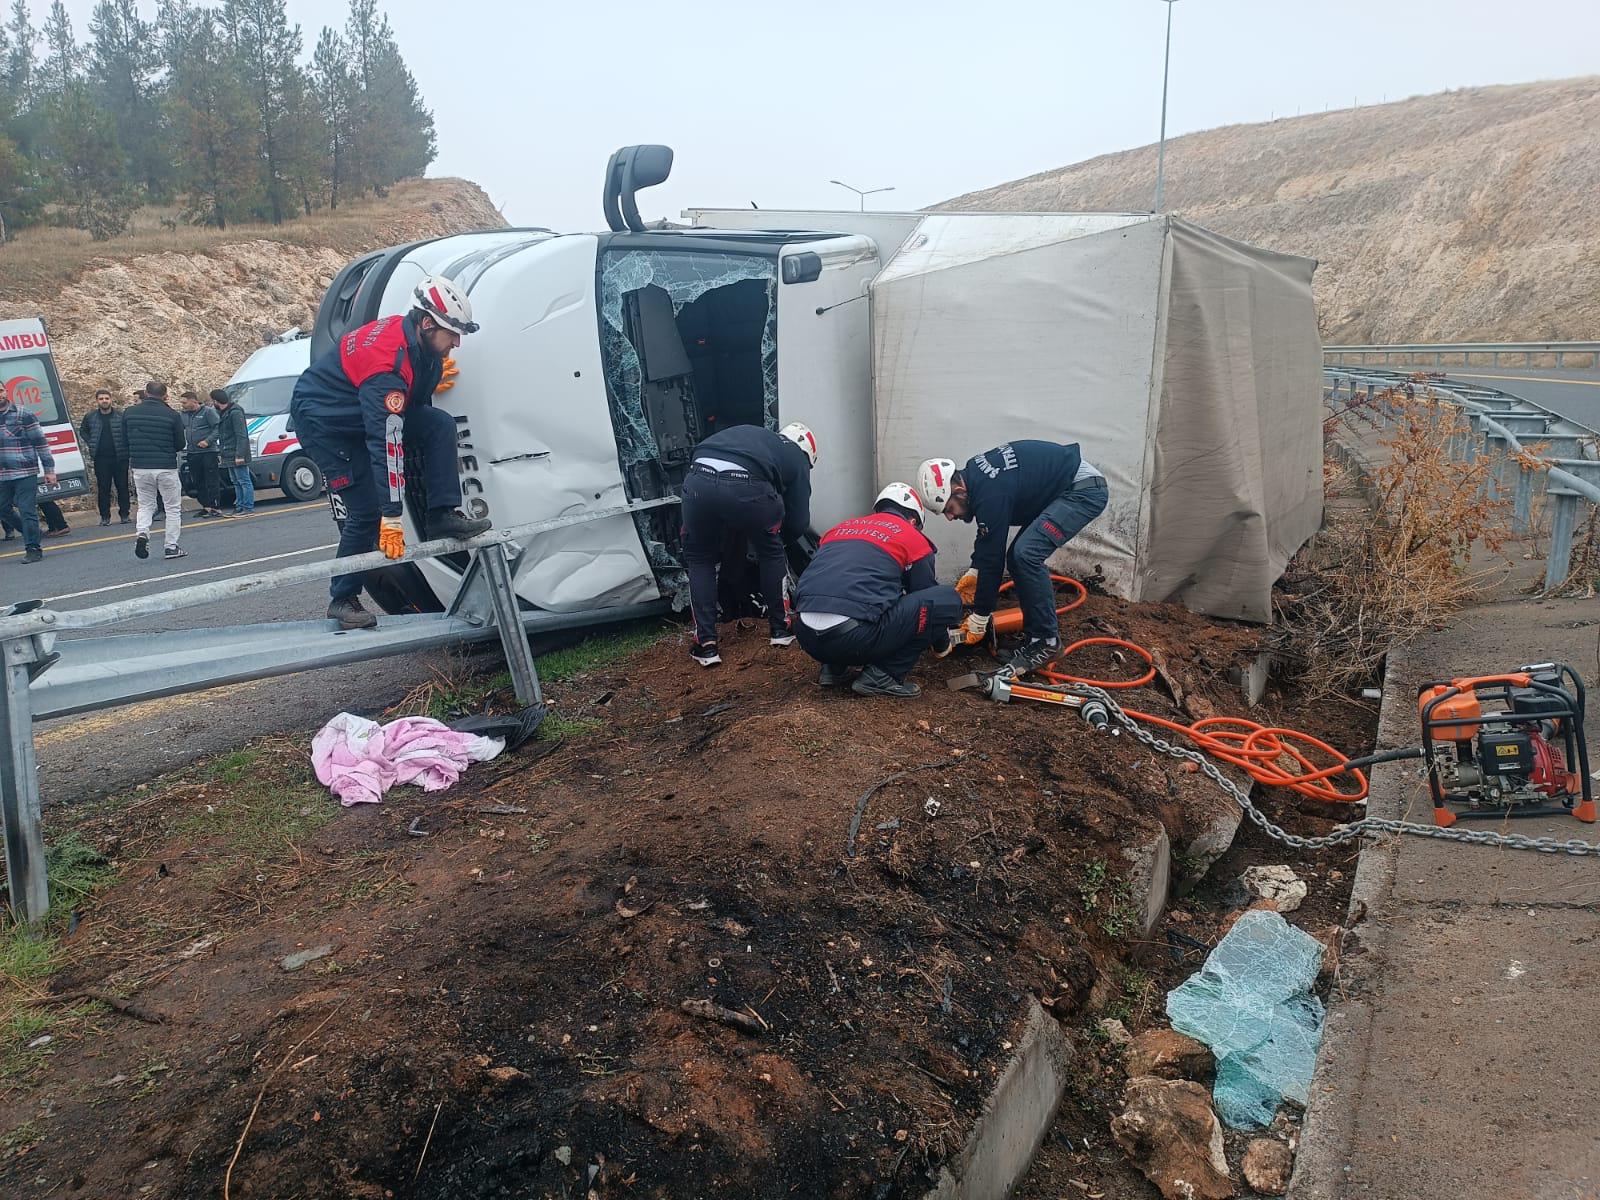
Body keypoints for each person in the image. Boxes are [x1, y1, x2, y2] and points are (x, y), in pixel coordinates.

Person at [290, 275, 491, 630]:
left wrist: (427, 379)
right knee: (365, 510)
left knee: (438, 425)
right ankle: (342, 598)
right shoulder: (387, 364)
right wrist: (392, 516)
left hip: (359, 407)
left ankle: (440, 515)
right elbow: (387, 442)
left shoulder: (417, 342)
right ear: (427, 323)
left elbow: (406, 409)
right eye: (452, 333)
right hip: (326, 425)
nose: (457, 342)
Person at [917, 440, 1109, 678]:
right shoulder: (979, 479)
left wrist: (981, 614)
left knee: (1026, 555)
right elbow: (988, 540)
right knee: (1019, 556)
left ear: (958, 491)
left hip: (1082, 491)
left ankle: (1046, 642)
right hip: (1061, 489)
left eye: (949, 508)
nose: (950, 517)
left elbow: (993, 558)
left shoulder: (990, 493)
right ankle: (1034, 640)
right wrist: (976, 570)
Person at [793, 483, 963, 698]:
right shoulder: (912, 537)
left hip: (807, 637)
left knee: (847, 594)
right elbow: (927, 598)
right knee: (947, 598)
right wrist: (941, 643)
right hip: (854, 640)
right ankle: (883, 676)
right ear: (913, 521)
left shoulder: (839, 529)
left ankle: (833, 669)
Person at [680, 420, 818, 667]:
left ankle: (706, 644)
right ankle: (781, 630)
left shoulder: (757, 439)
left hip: (698, 478)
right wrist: (773, 537)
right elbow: (798, 521)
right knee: (771, 553)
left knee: (700, 559)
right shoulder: (796, 456)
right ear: (807, 451)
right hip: (746, 485)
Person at [123, 381, 188, 560]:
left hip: (140, 466)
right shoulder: (172, 415)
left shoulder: (129, 413)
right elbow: (180, 444)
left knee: (145, 505)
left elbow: (123, 439)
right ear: (165, 395)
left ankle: (142, 533)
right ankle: (171, 547)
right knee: (172, 508)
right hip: (165, 466)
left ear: (145, 392)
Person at [0, 382, 58, 564]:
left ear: (6, 391)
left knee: (27, 510)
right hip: (2, 474)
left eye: (0, 390)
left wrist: (49, 470)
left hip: (25, 471)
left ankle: (33, 548)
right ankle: (31, 532)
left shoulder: (23, 414)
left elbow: (40, 443)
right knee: (3, 509)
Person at [80, 388, 131, 525]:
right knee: (103, 488)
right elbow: (83, 431)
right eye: (101, 399)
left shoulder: (120, 416)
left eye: (106, 398)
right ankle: (105, 517)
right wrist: (91, 442)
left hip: (120, 457)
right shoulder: (90, 417)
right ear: (97, 401)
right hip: (101, 459)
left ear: (111, 400)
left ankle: (125, 515)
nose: (104, 401)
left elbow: (128, 432)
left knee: (122, 487)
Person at [181, 390, 223, 518]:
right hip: (193, 452)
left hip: (208, 452)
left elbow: (218, 428)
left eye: (184, 402)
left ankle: (215, 506)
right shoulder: (184, 415)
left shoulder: (208, 412)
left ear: (193, 401)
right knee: (198, 481)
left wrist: (208, 441)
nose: (182, 405)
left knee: (211, 480)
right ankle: (206, 506)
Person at [212, 388, 253, 515]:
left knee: (243, 480)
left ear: (216, 401)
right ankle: (240, 506)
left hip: (236, 453)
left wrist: (240, 455)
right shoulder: (224, 413)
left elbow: (241, 435)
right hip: (228, 453)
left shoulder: (235, 413)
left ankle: (247, 507)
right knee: (236, 481)